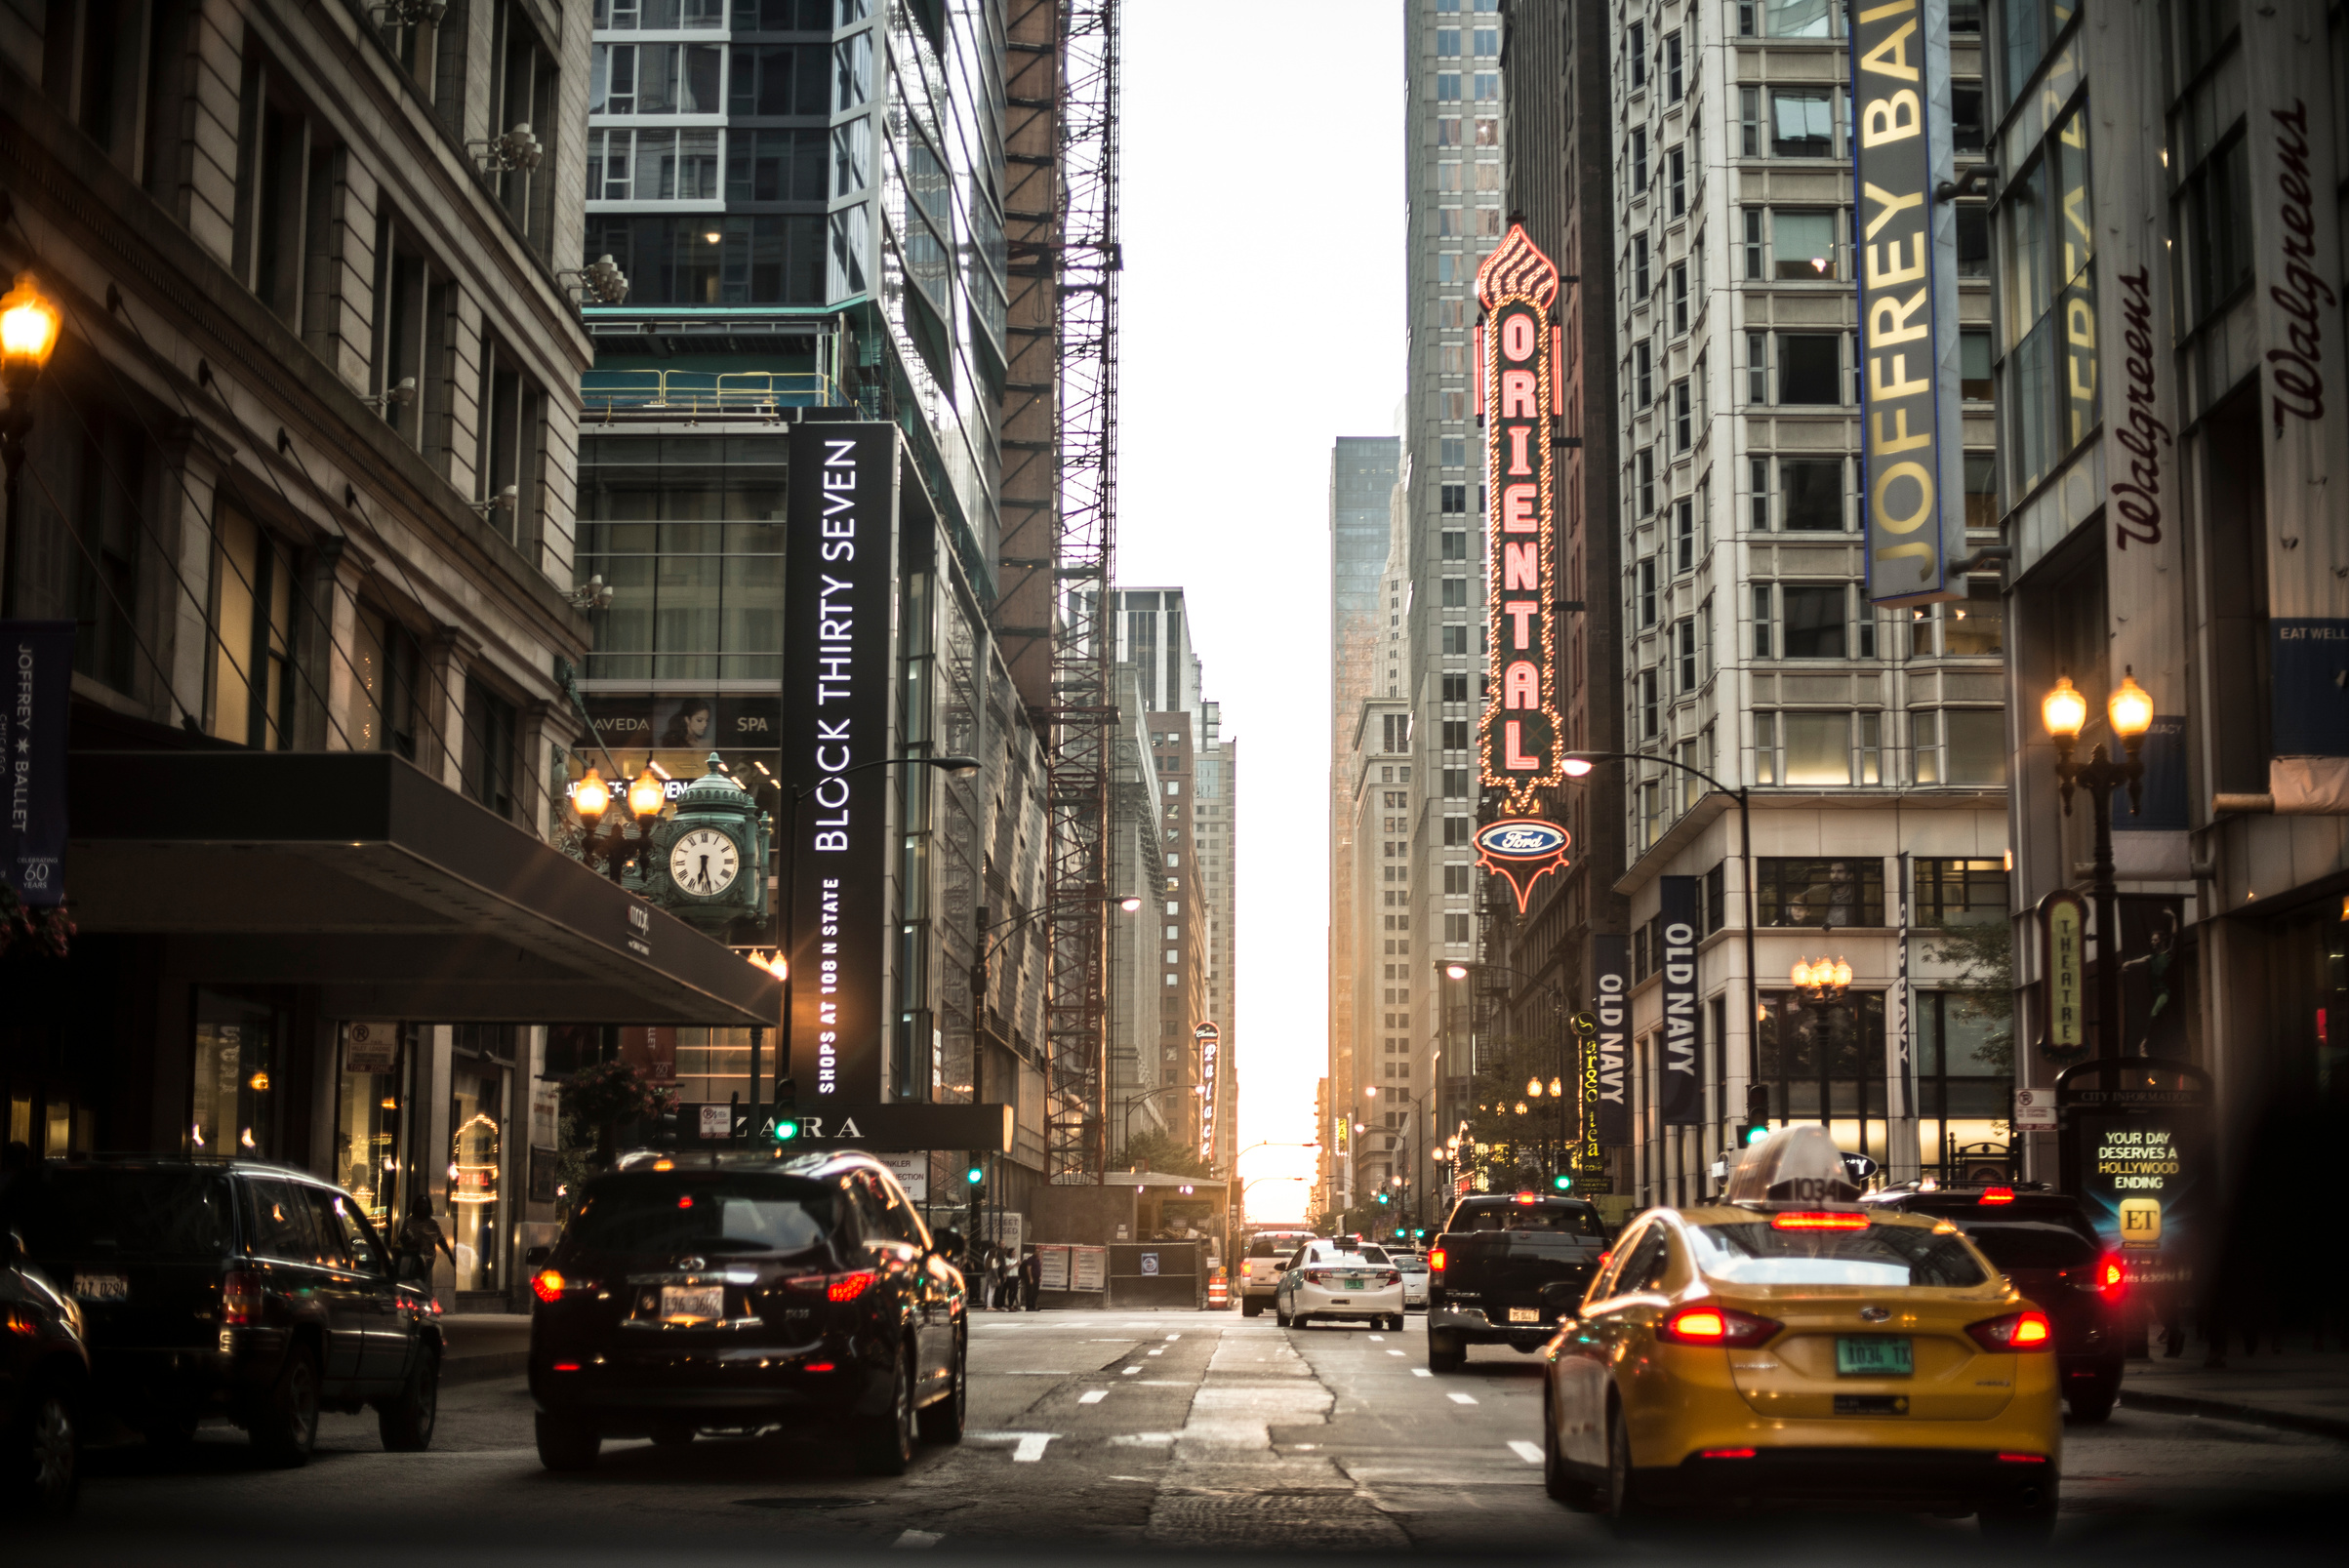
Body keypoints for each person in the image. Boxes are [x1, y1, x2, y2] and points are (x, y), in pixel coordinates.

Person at [393, 1195, 457, 1285]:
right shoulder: (409, 1220)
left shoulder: (432, 1223)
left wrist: (450, 1256)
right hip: (411, 1255)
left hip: (427, 1257)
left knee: (419, 1280)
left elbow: (441, 1239)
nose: (422, 1206)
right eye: (420, 1203)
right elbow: (401, 1238)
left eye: (424, 1203)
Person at [1018, 1244, 1040, 1311]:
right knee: (1030, 1292)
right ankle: (1029, 1306)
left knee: (1035, 1292)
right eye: (1037, 1251)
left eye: (1039, 1252)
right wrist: (1030, 1278)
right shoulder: (1030, 1259)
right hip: (1031, 1278)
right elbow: (1028, 1268)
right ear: (1034, 1252)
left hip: (1036, 1278)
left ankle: (1033, 1306)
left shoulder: (1037, 1260)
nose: (1038, 1253)